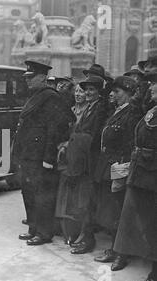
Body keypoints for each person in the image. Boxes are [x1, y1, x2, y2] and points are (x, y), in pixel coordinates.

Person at [14, 61, 70, 246]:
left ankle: (44, 232)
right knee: (28, 193)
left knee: (43, 195)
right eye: (27, 78)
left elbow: (55, 130)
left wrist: (48, 158)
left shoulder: (51, 97)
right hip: (29, 154)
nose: (28, 81)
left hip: (41, 157)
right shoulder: (34, 95)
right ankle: (33, 227)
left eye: (32, 77)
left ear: (43, 78)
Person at [113, 70, 157, 281]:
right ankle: (154, 277)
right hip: (145, 176)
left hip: (152, 175)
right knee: (150, 228)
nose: (150, 88)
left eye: (154, 84)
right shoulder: (151, 110)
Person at [93, 76, 143, 271]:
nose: (112, 94)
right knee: (111, 210)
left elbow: (132, 143)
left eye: (118, 92)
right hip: (108, 167)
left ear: (129, 94)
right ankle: (114, 249)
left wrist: (123, 166)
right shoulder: (117, 111)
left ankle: (122, 254)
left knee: (120, 212)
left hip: (119, 168)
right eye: (112, 91)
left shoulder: (132, 114)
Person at [67, 75, 109, 255]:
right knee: (82, 201)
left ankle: (88, 239)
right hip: (82, 160)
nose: (88, 93)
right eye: (86, 89)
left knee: (88, 202)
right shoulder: (90, 107)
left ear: (99, 91)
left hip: (91, 162)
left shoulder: (101, 108)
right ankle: (84, 235)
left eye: (92, 89)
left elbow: (93, 135)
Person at [55, 83, 88, 244]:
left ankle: (76, 231)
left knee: (77, 196)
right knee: (64, 193)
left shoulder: (88, 112)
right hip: (65, 155)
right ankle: (64, 229)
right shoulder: (70, 110)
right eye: (76, 91)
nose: (78, 94)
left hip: (78, 156)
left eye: (81, 91)